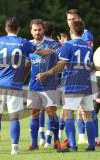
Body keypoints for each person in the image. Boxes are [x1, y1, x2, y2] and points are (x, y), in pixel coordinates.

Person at [37, 20, 98, 152]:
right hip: (87, 84)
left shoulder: (68, 45)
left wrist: (45, 74)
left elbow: (60, 66)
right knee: (88, 115)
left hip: (73, 84)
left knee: (67, 114)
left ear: (71, 31)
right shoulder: (87, 45)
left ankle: (72, 146)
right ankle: (91, 146)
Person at [0, 17, 36, 155]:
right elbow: (32, 58)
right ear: (18, 28)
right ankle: (14, 149)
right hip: (14, 85)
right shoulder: (23, 42)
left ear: (5, 28)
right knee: (14, 117)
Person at [57, 8, 94, 145]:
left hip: (77, 79)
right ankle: (87, 142)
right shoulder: (75, 40)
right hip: (83, 79)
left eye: (73, 19)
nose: (70, 22)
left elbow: (71, 60)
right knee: (85, 113)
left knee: (69, 113)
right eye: (68, 19)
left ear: (79, 19)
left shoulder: (85, 34)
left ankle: (75, 141)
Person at [26, 19, 61, 150]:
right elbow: (25, 62)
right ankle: (34, 144)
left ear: (43, 30)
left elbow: (62, 57)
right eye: (34, 30)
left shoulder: (53, 44)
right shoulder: (28, 45)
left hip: (50, 84)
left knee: (51, 112)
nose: (37, 32)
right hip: (33, 85)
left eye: (39, 29)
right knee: (34, 113)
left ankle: (56, 141)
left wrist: (51, 51)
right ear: (31, 31)